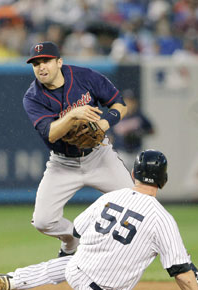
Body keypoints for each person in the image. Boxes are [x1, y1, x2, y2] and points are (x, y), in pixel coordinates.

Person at [0, 150, 198, 290]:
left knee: (71, 261)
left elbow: (77, 231)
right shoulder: (162, 219)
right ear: (164, 181)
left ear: (133, 173)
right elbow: (182, 272)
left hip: (75, 271)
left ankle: (14, 279)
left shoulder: (112, 196)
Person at [22, 41, 133, 257]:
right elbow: (50, 133)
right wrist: (73, 114)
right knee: (43, 221)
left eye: (46, 61)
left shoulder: (86, 77)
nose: (41, 67)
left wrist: (104, 124)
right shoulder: (32, 97)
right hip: (63, 163)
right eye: (36, 64)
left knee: (138, 204)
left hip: (99, 156)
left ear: (59, 62)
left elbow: (120, 104)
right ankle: (72, 239)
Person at [111, 89, 154, 169]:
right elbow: (109, 136)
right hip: (121, 153)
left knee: (137, 179)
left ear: (135, 102)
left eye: (131, 101)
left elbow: (152, 130)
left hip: (136, 153)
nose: (129, 104)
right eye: (127, 101)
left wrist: (140, 133)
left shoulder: (140, 116)